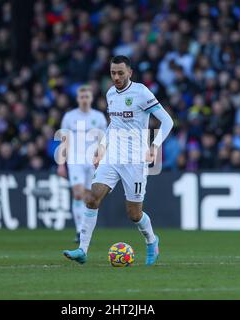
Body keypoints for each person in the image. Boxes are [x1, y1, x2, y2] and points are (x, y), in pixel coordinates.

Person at [63, 55, 173, 265]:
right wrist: (102, 147)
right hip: (113, 156)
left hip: (135, 160)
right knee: (92, 197)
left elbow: (167, 121)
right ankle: (82, 250)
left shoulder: (141, 92)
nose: (116, 77)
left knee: (134, 213)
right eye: (113, 73)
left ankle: (151, 240)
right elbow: (114, 125)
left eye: (120, 73)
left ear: (130, 72)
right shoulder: (111, 93)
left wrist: (155, 146)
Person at [57, 85, 107, 243]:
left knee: (89, 197)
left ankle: (85, 229)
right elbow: (64, 141)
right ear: (78, 99)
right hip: (75, 160)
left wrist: (101, 159)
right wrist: (61, 163)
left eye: (87, 96)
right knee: (78, 193)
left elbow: (103, 141)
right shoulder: (69, 117)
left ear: (91, 98)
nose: (84, 99)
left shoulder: (98, 117)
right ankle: (79, 230)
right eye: (82, 97)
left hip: (92, 162)